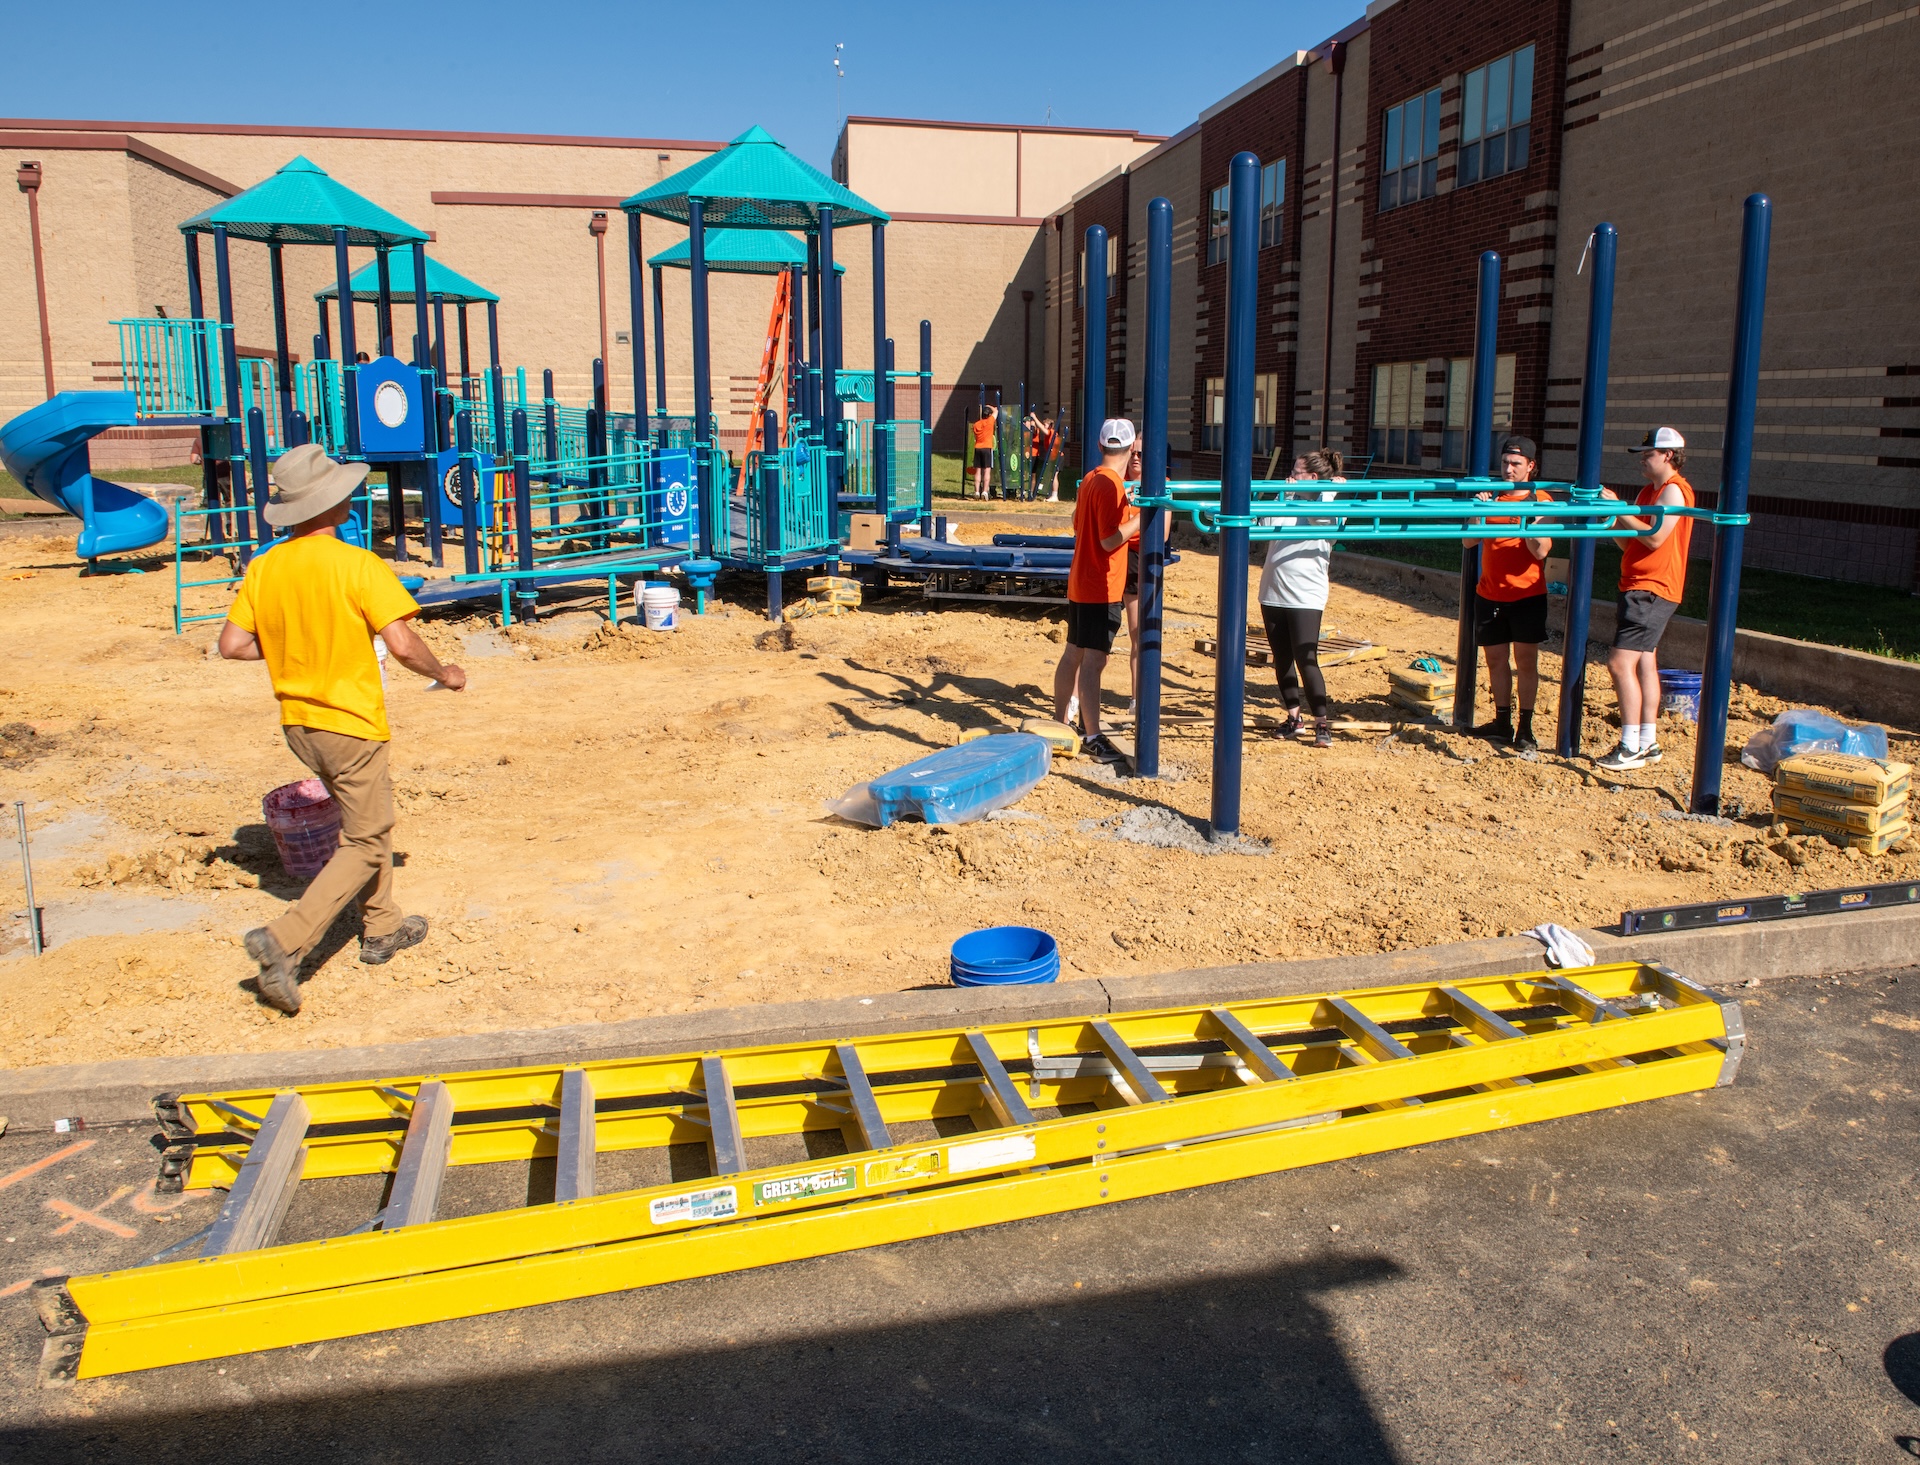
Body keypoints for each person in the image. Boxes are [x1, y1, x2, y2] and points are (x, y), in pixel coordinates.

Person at [218, 444, 467, 1013]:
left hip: (299, 723)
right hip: (349, 722)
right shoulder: (357, 565)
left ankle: (382, 928)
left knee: (365, 824)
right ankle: (284, 942)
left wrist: (294, 647)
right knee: (367, 836)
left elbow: (232, 646)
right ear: (334, 503)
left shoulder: (265, 566)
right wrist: (445, 673)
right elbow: (403, 644)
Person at [1594, 426, 1695, 771]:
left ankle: (1629, 744)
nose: (1642, 459)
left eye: (1647, 453)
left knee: (1619, 664)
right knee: (1644, 662)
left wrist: (1619, 507)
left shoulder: (1673, 493)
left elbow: (1655, 539)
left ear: (1667, 455)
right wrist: (1614, 518)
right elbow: (1632, 541)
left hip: (1652, 588)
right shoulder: (1649, 492)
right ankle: (1647, 742)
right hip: (1639, 584)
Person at [1055, 419, 1140, 764]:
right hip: (1101, 585)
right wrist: (1142, 516)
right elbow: (1109, 540)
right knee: (1094, 660)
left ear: (1101, 446)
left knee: (1074, 652)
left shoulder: (1091, 478)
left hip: (1081, 580)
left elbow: (1079, 520)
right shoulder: (1111, 485)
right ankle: (1093, 735)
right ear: (1132, 447)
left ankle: (1061, 723)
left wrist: (1126, 499)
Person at [1470, 434, 1553, 752]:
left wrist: (1526, 521)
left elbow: (1540, 551)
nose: (1508, 469)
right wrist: (1479, 510)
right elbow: (1468, 541)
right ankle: (1501, 721)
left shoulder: (1542, 501)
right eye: (1505, 462)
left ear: (1530, 466)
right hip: (1490, 592)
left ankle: (1526, 728)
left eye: (1516, 463)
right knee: (1494, 660)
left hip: (1527, 595)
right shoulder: (1492, 498)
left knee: (1526, 662)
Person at [1258, 448, 1343, 748]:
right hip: (1273, 590)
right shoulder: (1288, 499)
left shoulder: (1333, 504)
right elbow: (1264, 527)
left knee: (1307, 659)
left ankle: (1322, 722)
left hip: (1306, 594)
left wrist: (1325, 493)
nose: (1291, 476)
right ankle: (1294, 717)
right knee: (1281, 658)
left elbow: (1322, 522)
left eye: (1296, 472)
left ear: (1314, 478)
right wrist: (1283, 496)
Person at [1025, 411, 1056, 504]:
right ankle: (1051, 493)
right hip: (1028, 454)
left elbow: (1036, 430)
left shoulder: (1049, 432)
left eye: (1045, 424)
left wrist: (1034, 419)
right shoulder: (1023, 431)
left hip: (1037, 455)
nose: (1043, 425)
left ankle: (1053, 494)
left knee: (1051, 475)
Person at [970, 404, 998, 500]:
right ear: (989, 415)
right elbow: (996, 411)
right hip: (987, 448)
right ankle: (985, 491)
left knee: (978, 471)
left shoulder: (976, 424)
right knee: (987, 470)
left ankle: (977, 491)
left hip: (978, 447)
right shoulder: (990, 422)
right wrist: (989, 406)